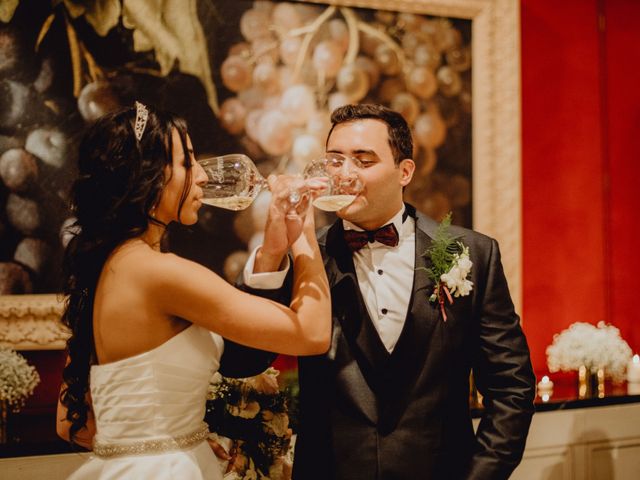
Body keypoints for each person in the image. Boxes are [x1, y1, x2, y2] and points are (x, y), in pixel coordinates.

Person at [241, 104, 536, 479]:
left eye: (363, 161)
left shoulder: (474, 254)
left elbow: (511, 387)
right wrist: (271, 252)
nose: (344, 175)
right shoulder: (303, 255)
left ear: (405, 171)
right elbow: (243, 362)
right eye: (335, 161)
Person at [55, 102, 331, 479]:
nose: (202, 176)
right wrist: (304, 236)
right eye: (187, 162)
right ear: (147, 175)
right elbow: (312, 334)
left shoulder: (116, 264)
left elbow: (76, 425)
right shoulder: (158, 273)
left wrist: (271, 250)